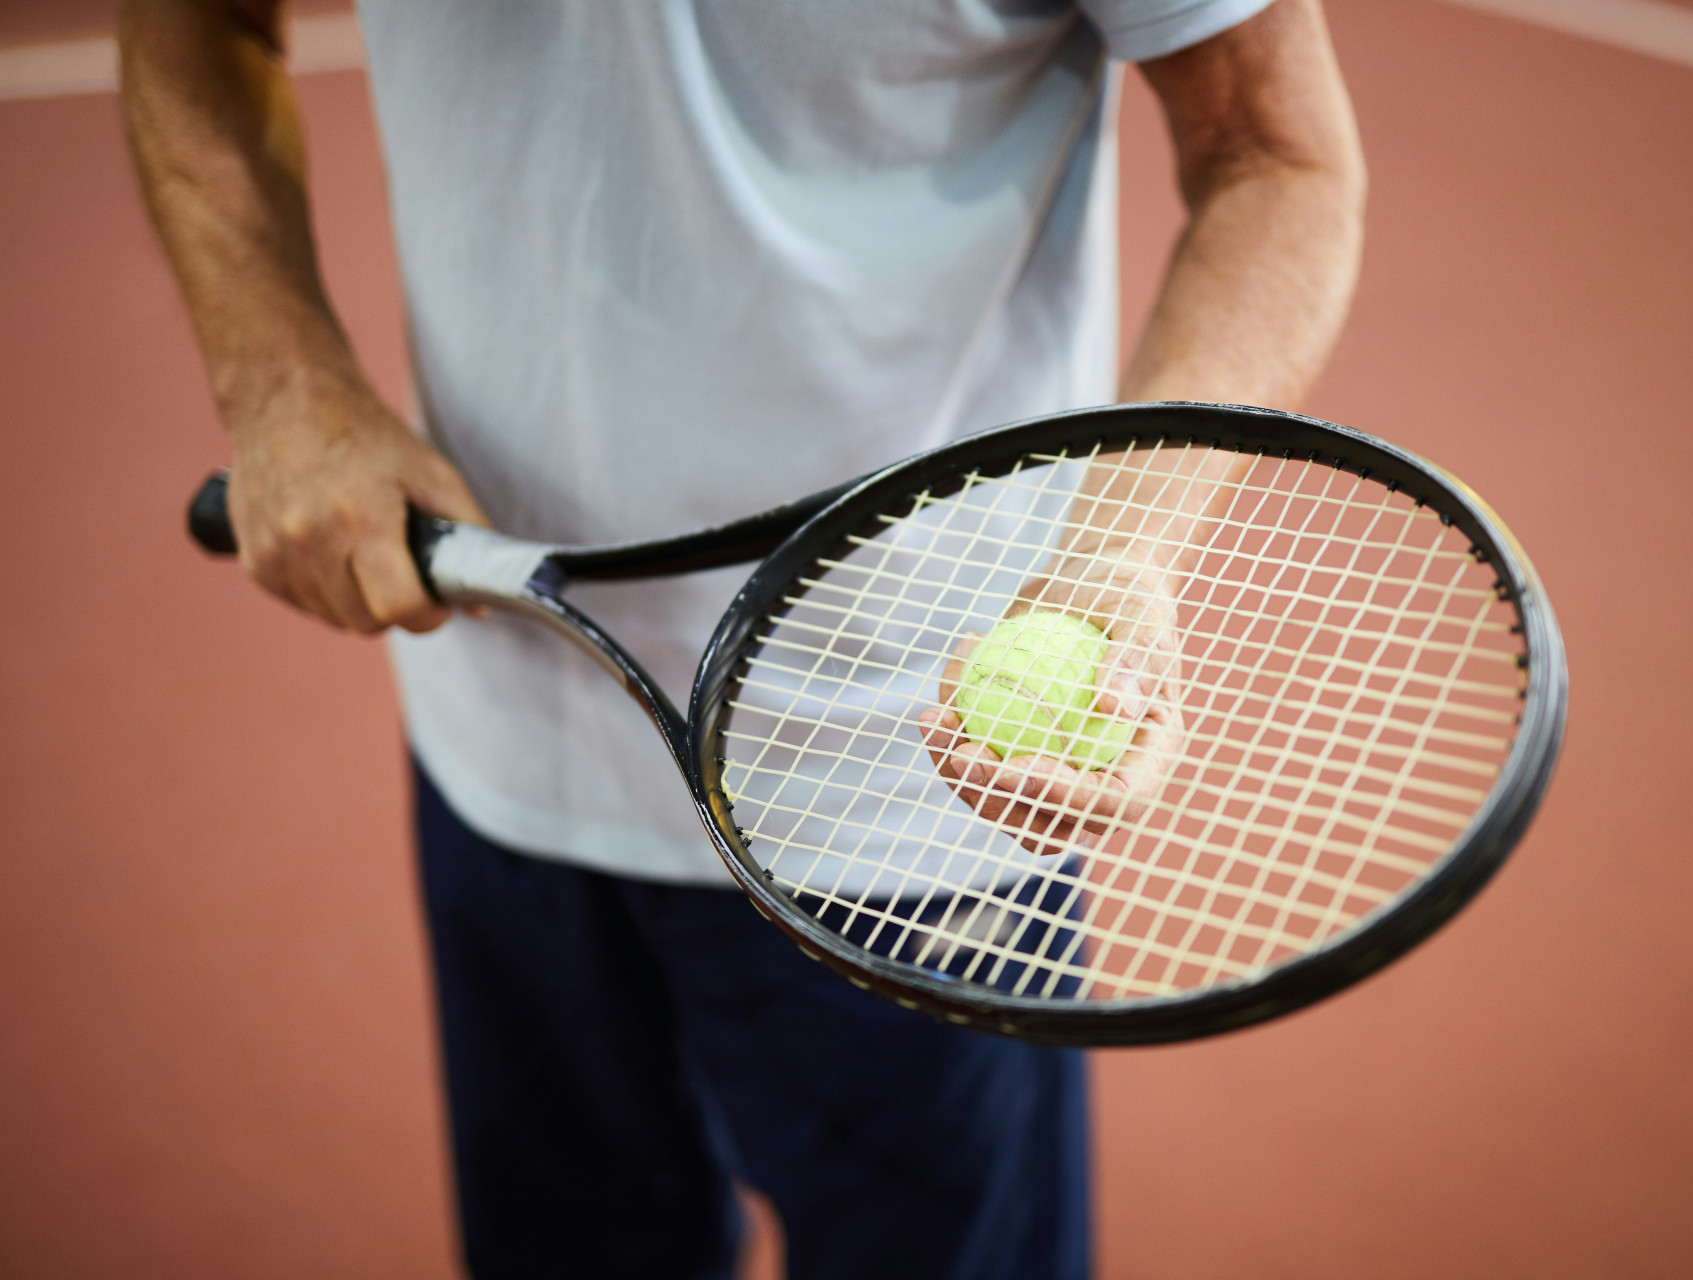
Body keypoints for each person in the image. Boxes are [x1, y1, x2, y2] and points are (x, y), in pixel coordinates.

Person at [121, 1, 1365, 1276]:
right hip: (504, 733)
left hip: (918, 786)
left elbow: (1277, 155)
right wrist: (280, 379)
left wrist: (1117, 553)